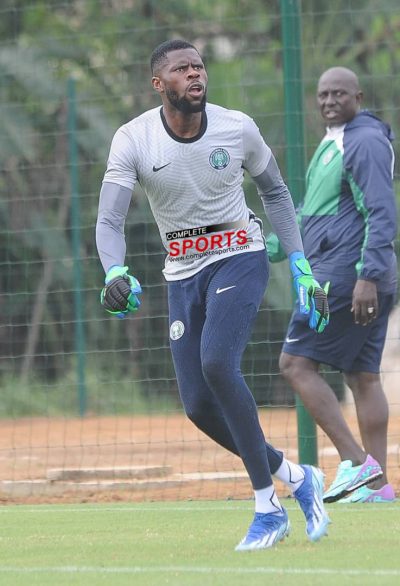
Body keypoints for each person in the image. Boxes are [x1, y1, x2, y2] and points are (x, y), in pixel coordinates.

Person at [96, 39, 331, 550]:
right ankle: (296, 476)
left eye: (199, 67)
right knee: (199, 405)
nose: (195, 75)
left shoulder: (237, 126)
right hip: (181, 273)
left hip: (239, 254)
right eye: (182, 69)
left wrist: (299, 262)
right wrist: (114, 270)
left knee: (218, 364)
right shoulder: (133, 139)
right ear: (160, 84)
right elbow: (110, 218)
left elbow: (275, 192)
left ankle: (267, 506)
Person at [270, 67, 397, 503]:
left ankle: (358, 464)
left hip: (347, 274)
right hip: (352, 271)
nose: (328, 101)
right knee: (363, 376)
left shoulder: (362, 141)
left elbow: (382, 212)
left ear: (358, 96)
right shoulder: (335, 139)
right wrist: (272, 244)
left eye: (338, 94)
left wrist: (368, 276)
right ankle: (378, 488)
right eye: (322, 94)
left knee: (295, 364)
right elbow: (315, 215)